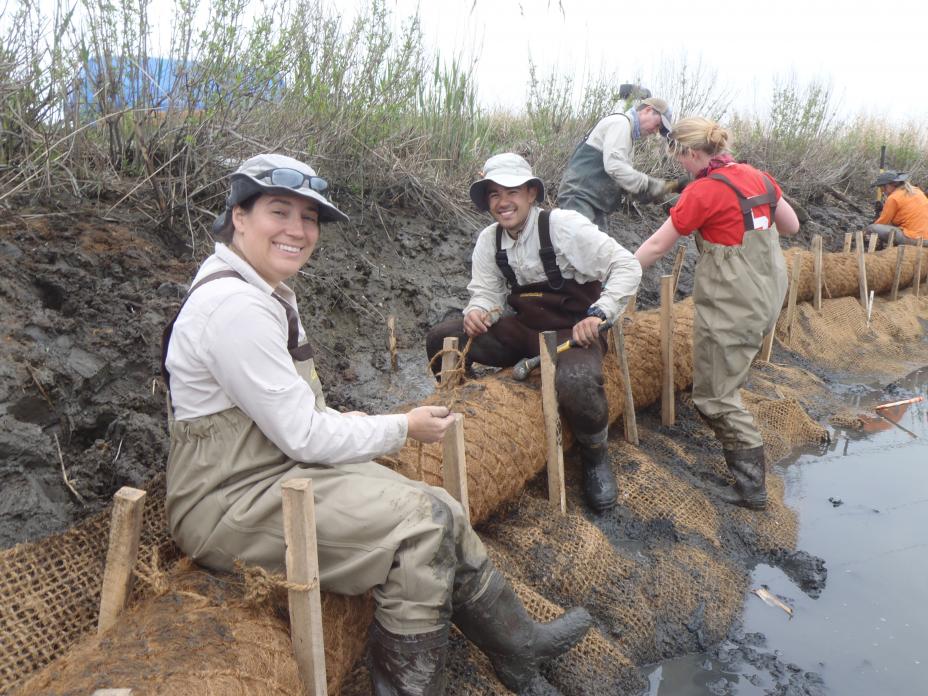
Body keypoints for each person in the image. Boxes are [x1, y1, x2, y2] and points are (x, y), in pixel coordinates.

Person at [161, 153, 592, 696]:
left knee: (445, 509)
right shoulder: (235, 308)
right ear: (239, 217)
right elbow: (304, 436)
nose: (298, 230)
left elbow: (290, 417)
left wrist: (347, 420)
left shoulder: (258, 292)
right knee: (420, 529)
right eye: (279, 212)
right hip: (231, 500)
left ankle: (518, 650)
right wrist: (401, 426)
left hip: (275, 470)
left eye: (310, 218)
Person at [426, 153, 642, 513]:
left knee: (575, 381)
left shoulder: (564, 226)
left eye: (511, 191)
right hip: (524, 331)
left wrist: (600, 313)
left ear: (530, 193)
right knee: (442, 337)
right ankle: (472, 413)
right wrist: (479, 312)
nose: (502, 201)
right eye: (494, 194)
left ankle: (595, 454)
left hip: (573, 332)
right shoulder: (488, 240)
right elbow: (486, 293)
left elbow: (626, 265)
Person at [634, 118, 800, 510]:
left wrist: (620, 272)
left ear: (693, 153)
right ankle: (749, 475)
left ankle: (751, 489)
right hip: (767, 297)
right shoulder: (760, 178)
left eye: (680, 160)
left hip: (732, 306)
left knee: (714, 396)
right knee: (726, 376)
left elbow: (657, 246)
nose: (680, 168)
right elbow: (790, 226)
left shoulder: (703, 192)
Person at [557, 96, 683, 230]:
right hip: (580, 199)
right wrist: (652, 185)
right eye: (657, 125)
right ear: (647, 110)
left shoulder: (627, 133)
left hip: (593, 204)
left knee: (596, 249)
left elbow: (621, 178)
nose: (655, 131)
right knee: (582, 247)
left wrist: (660, 192)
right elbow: (615, 167)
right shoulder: (620, 123)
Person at [866, 170, 928, 247]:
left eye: (883, 188)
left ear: (891, 185)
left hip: (916, 239)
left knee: (872, 228)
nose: (882, 191)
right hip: (925, 237)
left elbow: (882, 222)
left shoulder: (893, 198)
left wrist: (865, 233)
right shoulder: (916, 191)